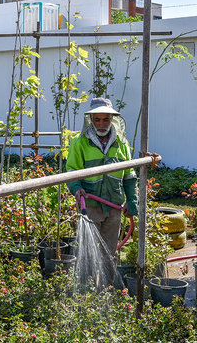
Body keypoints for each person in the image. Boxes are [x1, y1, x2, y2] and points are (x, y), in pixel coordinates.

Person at [66, 97, 138, 271]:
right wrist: (76, 188)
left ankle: (108, 289)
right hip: (90, 205)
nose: (101, 124)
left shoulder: (121, 144)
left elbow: (129, 176)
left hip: (113, 206)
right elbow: (71, 171)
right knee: (88, 253)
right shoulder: (80, 142)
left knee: (110, 252)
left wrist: (132, 202)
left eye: (106, 119)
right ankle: (88, 290)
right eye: (97, 119)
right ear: (91, 119)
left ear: (112, 119)